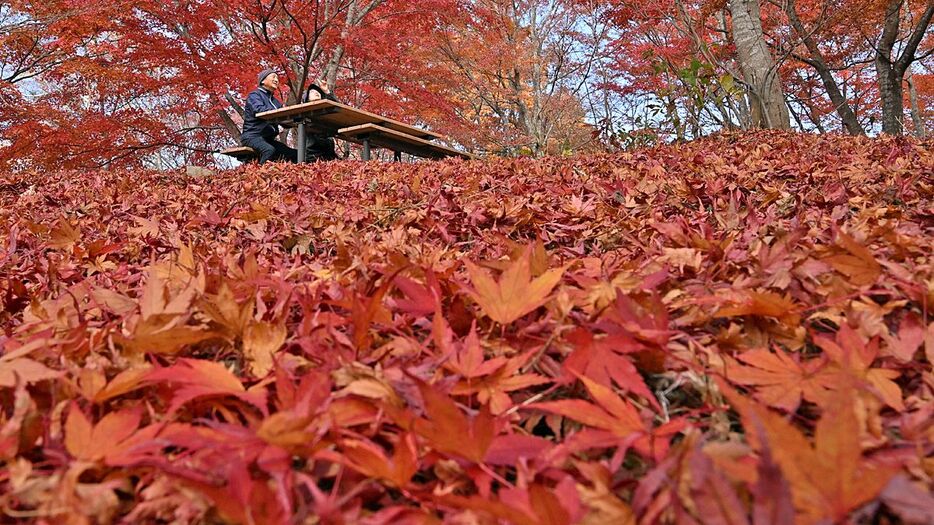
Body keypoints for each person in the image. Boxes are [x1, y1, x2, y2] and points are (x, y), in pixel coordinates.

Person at [241, 69, 298, 164]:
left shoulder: (275, 102)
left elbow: (284, 121)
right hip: (252, 136)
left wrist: (294, 120)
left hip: (268, 139)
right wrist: (278, 114)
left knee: (294, 154)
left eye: (277, 78)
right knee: (269, 150)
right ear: (263, 81)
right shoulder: (254, 95)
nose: (276, 80)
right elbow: (258, 109)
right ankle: (258, 176)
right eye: (273, 77)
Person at [302, 81, 339, 161]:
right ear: (307, 98)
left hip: (327, 151)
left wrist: (326, 92)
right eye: (312, 92)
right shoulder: (305, 111)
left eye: (318, 91)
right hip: (311, 152)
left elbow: (338, 109)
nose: (316, 93)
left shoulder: (324, 111)